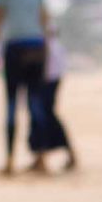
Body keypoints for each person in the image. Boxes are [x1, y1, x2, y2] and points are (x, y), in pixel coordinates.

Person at [0, 0, 53, 175]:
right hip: (36, 46)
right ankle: (41, 158)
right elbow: (44, 18)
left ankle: (9, 161)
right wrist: (47, 47)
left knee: (12, 105)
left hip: (15, 47)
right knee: (36, 105)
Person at [35, 32, 77, 172]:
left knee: (45, 115)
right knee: (42, 114)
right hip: (48, 73)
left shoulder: (39, 20)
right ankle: (40, 157)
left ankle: (45, 157)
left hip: (47, 75)